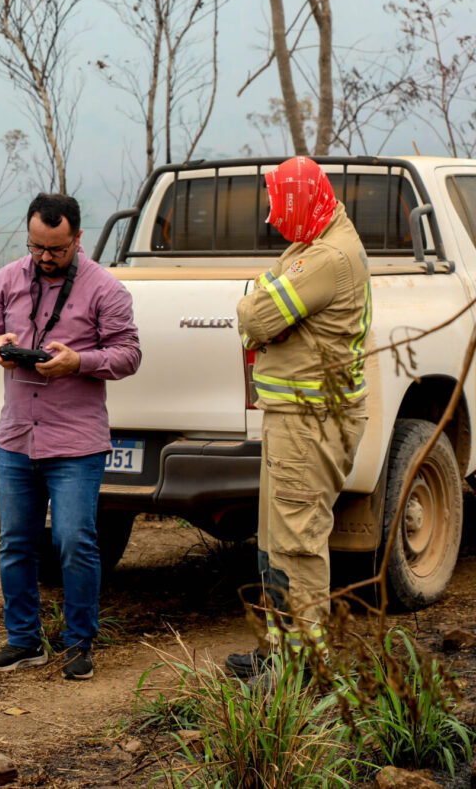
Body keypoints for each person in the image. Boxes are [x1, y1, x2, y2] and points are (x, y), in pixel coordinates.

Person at [0, 193, 141, 680]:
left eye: (57, 249)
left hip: (76, 444)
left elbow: (129, 354)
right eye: (37, 247)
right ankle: (23, 641)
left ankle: (79, 644)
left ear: (78, 238)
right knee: (16, 544)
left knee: (74, 542)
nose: (45, 257)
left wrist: (78, 362)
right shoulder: (6, 279)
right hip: (16, 437)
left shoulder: (105, 289)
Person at [226, 156, 372, 680]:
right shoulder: (311, 243)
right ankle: (279, 647)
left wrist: (261, 314)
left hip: (311, 422)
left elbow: (255, 313)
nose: (271, 216)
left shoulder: (325, 256)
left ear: (300, 201)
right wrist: (264, 310)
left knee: (297, 541)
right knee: (273, 539)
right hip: (294, 417)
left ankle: (304, 665)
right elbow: (261, 299)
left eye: (277, 204)